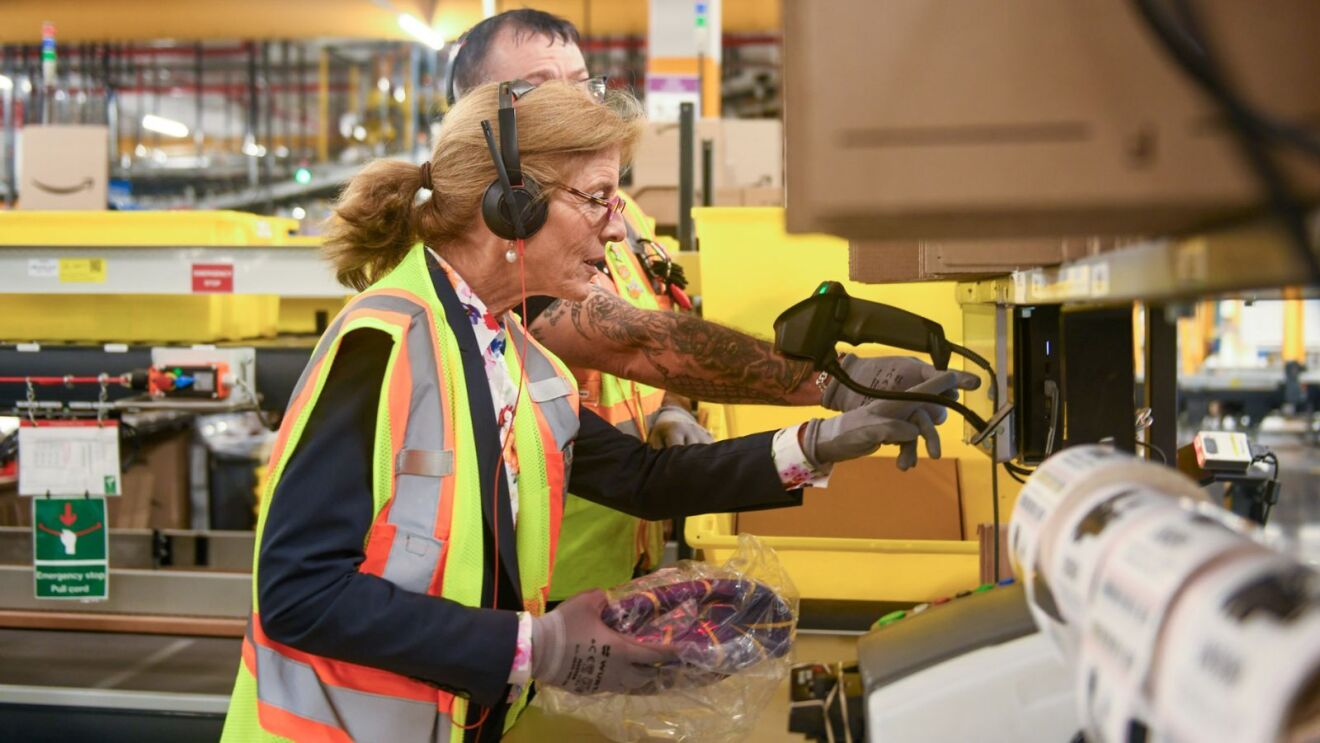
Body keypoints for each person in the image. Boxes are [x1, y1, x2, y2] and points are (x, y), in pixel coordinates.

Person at [220, 80, 958, 742]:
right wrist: (533, 645)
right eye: (598, 197)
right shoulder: (383, 345)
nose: (615, 229)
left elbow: (644, 480)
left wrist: (824, 440)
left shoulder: (518, 358)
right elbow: (299, 593)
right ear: (512, 205)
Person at [447, 9, 981, 603]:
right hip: (531, 587)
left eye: (583, 81)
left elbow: (658, 354)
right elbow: (637, 341)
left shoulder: (624, 224)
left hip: (620, 558)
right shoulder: (499, 256)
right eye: (545, 86)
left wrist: (675, 409)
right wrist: (836, 380)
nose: (578, 102)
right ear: (480, 121)